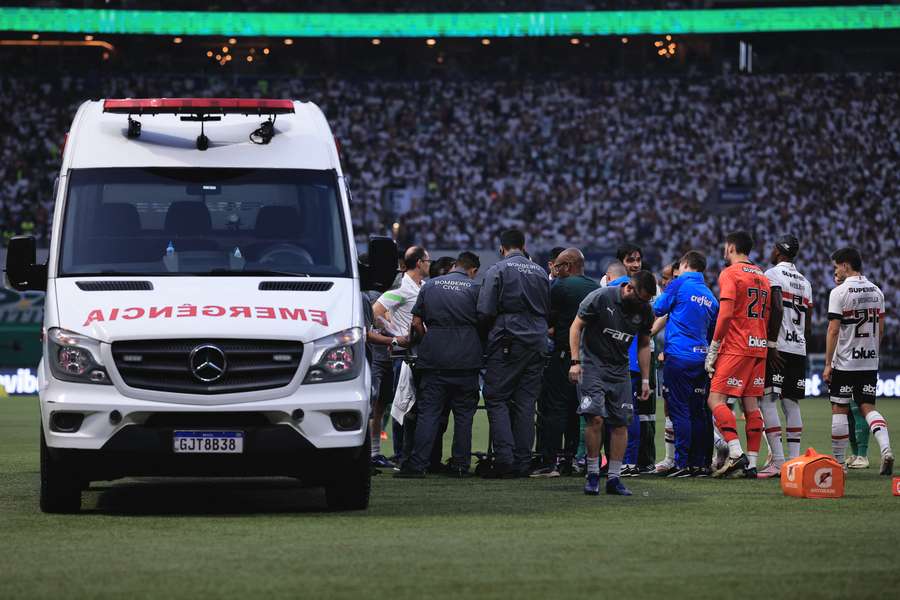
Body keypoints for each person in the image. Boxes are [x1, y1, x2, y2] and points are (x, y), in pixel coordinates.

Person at [569, 270, 656, 496]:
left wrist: (645, 379)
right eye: (640, 299)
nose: (642, 305)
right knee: (595, 418)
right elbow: (576, 326)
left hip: (620, 370)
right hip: (592, 366)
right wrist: (575, 362)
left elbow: (644, 344)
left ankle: (614, 479)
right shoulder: (600, 298)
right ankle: (592, 474)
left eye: (646, 301)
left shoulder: (645, 310)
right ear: (628, 288)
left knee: (620, 423)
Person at [396, 252, 483, 478]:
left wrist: (428, 339)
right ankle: (461, 466)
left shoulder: (430, 286)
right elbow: (485, 322)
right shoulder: (475, 289)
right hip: (467, 358)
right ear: (472, 270)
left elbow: (416, 322)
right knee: (464, 416)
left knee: (429, 413)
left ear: (455, 265)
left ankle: (417, 465)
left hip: (434, 357)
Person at [704, 230, 779, 478]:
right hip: (758, 346)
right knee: (750, 405)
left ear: (732, 247)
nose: (725, 251)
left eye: (726, 247)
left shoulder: (730, 273)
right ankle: (752, 464)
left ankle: (736, 454)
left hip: (737, 346)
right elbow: (770, 313)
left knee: (715, 400)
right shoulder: (762, 275)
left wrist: (714, 348)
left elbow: (725, 315)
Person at [477, 229, 551, 478]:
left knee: (496, 397)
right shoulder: (541, 272)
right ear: (524, 244)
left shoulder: (498, 270)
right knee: (526, 403)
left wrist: (485, 337)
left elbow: (485, 311)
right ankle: (522, 462)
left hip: (509, 341)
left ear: (502, 248)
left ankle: (505, 460)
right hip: (538, 341)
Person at [824, 247, 894, 475]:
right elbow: (881, 330)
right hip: (869, 361)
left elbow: (833, 330)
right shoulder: (877, 292)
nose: (835, 271)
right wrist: (872, 352)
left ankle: (838, 464)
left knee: (840, 408)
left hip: (845, 361)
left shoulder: (839, 292)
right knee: (868, 408)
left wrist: (827, 364)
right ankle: (886, 450)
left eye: (836, 267)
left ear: (845, 265)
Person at [531, 248, 599, 477]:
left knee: (553, 410)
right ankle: (570, 460)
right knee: (575, 411)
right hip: (590, 360)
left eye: (558, 267)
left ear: (568, 266)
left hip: (563, 357)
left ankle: (548, 462)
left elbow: (545, 317)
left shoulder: (559, 286)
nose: (555, 271)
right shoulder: (594, 288)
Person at [652, 251, 718, 477]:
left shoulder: (679, 284)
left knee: (680, 411)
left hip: (679, 357)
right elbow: (712, 332)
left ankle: (681, 464)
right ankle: (700, 464)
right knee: (699, 412)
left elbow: (658, 308)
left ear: (685, 264)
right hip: (701, 359)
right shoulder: (710, 296)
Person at [757, 235, 813, 478]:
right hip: (798, 347)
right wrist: (801, 342)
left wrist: (771, 344)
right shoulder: (805, 282)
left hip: (777, 346)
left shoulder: (772, 274)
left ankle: (778, 462)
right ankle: (795, 461)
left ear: (779, 251)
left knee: (767, 401)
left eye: (773, 247)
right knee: (791, 402)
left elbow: (777, 307)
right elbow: (808, 322)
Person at [374, 246, 430, 465]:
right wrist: (394, 334)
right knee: (403, 404)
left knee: (417, 406)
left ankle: (411, 453)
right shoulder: (402, 287)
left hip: (420, 353)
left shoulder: (422, 286)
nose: (429, 264)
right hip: (404, 356)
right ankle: (400, 454)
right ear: (419, 263)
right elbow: (375, 310)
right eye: (427, 260)